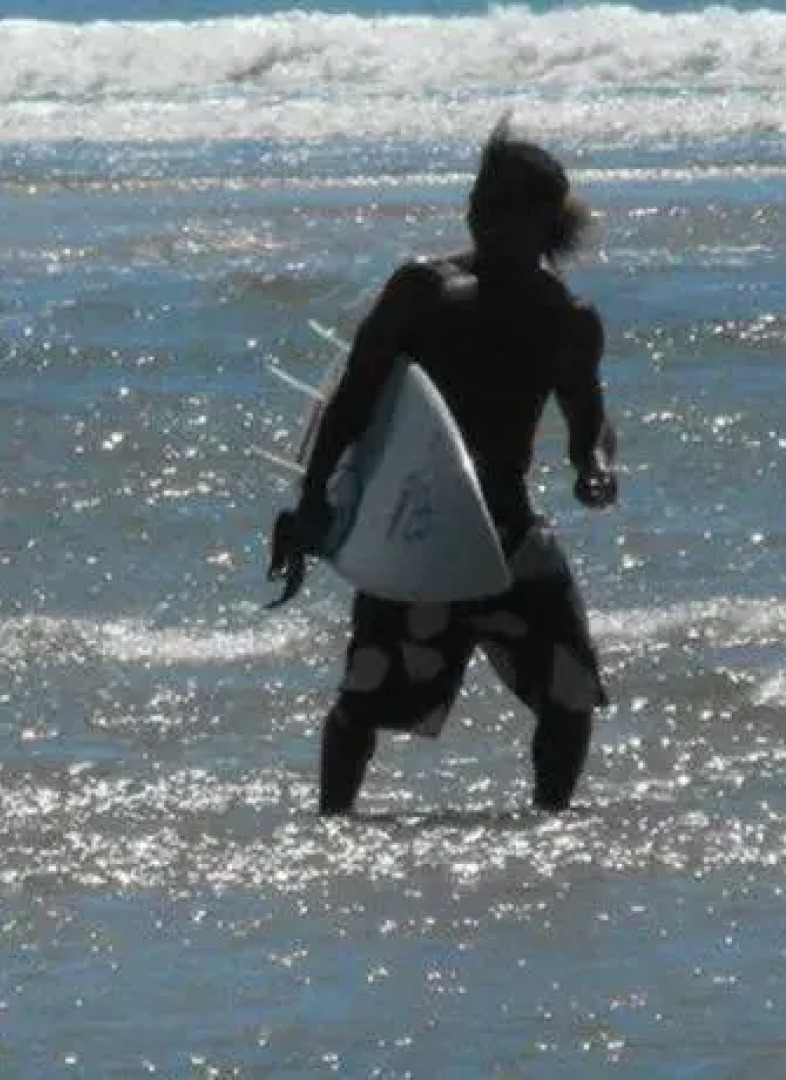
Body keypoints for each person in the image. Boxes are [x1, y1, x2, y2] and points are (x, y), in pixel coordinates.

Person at [269, 117, 619, 816]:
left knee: (570, 692)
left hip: (509, 528)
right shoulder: (423, 290)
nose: (480, 214)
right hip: (418, 521)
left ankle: (551, 828)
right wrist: (313, 499)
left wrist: (595, 468)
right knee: (365, 696)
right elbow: (350, 401)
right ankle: (332, 824)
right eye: (479, 199)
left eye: (501, 204)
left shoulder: (567, 319)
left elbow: (590, 422)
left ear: (543, 221)